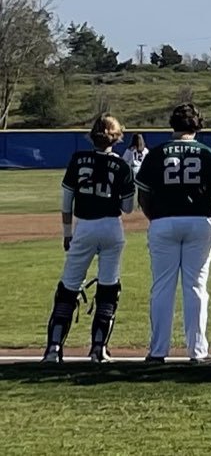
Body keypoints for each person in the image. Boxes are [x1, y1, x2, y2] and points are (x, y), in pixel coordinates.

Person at [42, 115, 135, 363]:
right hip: (111, 227)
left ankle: (53, 348)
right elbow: (127, 208)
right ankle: (98, 349)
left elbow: (66, 201)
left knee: (69, 287)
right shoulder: (123, 166)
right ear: (116, 137)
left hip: (83, 227)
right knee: (108, 287)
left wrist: (66, 233)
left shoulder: (77, 159)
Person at [137, 104, 211, 363]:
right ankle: (197, 351)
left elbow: (143, 195)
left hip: (163, 221)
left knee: (162, 287)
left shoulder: (156, 153)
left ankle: (158, 351)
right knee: (196, 286)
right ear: (198, 125)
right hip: (199, 221)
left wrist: (156, 218)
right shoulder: (208, 155)